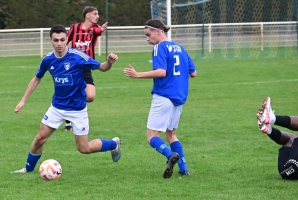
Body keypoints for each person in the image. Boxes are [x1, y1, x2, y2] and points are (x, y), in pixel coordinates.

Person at [11, 24, 121, 174]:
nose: (59, 43)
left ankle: (113, 144)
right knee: (39, 139)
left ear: (67, 40)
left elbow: (102, 67)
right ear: (50, 40)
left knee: (84, 148)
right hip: (57, 107)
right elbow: (37, 78)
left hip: (77, 109)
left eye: (62, 40)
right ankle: (27, 170)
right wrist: (23, 100)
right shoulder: (48, 60)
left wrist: (109, 62)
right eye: (56, 40)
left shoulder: (77, 56)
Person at [123, 19, 197, 178]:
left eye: (148, 35)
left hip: (164, 96)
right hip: (179, 97)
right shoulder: (181, 48)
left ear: (158, 31)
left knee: (151, 137)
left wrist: (137, 75)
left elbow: (161, 72)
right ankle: (184, 169)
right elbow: (193, 73)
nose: (147, 39)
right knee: (171, 135)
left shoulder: (159, 47)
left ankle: (170, 155)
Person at [64, 6, 108, 131]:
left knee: (90, 96)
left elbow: (99, 30)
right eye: (95, 14)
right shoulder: (75, 27)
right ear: (87, 15)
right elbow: (65, 42)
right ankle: (69, 118)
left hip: (86, 67)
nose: (97, 16)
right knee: (70, 91)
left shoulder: (95, 29)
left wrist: (102, 29)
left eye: (97, 14)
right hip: (72, 67)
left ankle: (69, 105)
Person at [256, 96, 298, 180]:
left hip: (285, 170)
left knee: (291, 139)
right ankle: (269, 129)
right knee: (291, 138)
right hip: (291, 172)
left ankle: (271, 119)